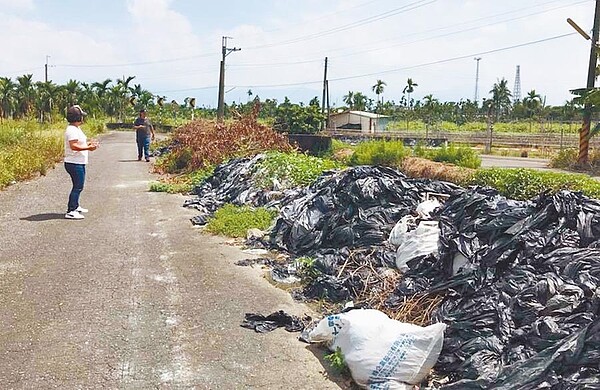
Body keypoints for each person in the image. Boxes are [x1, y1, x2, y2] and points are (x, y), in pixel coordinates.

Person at [64, 105, 99, 220]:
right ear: (77, 117)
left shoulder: (76, 128)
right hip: (74, 163)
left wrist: (89, 145)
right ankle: (71, 210)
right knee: (78, 186)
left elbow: (79, 144)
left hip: (78, 162)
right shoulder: (72, 130)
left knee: (79, 186)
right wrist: (89, 148)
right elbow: (74, 146)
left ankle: (76, 206)